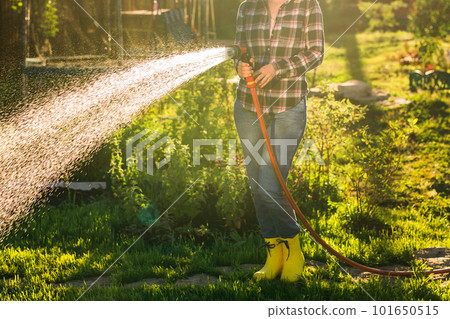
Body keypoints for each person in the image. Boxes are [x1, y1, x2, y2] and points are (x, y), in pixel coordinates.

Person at [233, 0, 324, 282]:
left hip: (288, 106)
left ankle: (294, 251)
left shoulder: (307, 5)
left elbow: (316, 52)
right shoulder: (247, 7)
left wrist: (278, 68)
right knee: (257, 185)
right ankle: (274, 255)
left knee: (272, 184)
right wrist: (240, 65)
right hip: (249, 105)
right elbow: (240, 49)